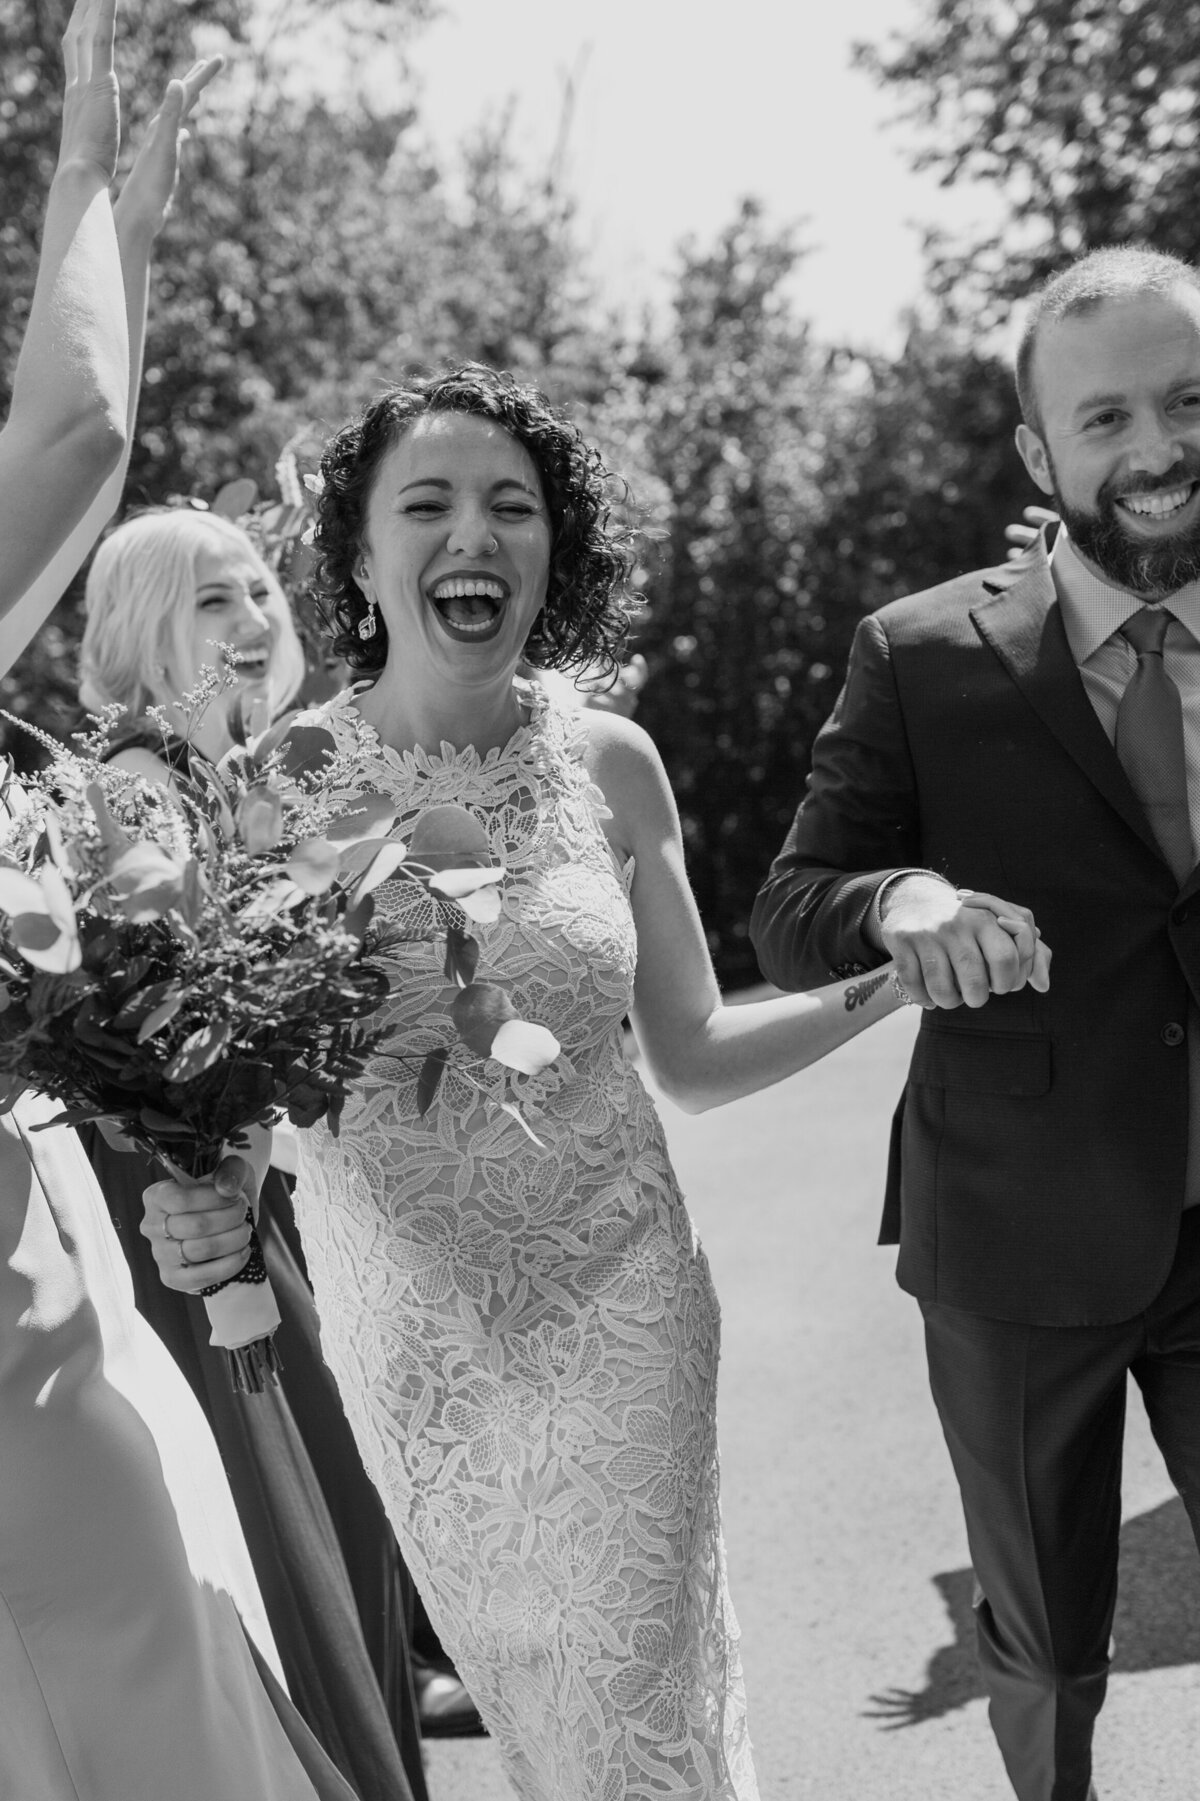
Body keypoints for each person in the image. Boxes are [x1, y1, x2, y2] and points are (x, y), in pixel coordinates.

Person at [142, 363, 915, 1801]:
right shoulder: (283, 783)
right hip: (418, 1341)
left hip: (625, 1302)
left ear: (556, 551)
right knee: (540, 1704)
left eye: (512, 506)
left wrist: (887, 987)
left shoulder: (611, 761)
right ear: (362, 558)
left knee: (639, 1682)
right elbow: (243, 1078)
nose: (473, 535)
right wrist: (212, 1199)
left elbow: (691, 1054)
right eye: (425, 505)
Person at [750, 244, 1200, 1801]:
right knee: (1048, 1637)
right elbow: (793, 901)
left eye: (1189, 401)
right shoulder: (924, 652)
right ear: (1038, 452)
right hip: (1019, 1235)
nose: (1156, 449)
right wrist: (901, 903)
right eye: (1108, 418)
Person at [0, 6, 352, 1797]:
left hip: (69, 1285)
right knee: (141, 1701)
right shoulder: (121, 783)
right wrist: (76, 186)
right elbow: (70, 445)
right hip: (26, 1353)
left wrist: (116, 238)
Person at [76, 501, 435, 1800]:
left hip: (285, 1216)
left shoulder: (263, 786)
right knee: (294, 1580)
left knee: (354, 1561)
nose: (255, 619)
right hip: (186, 1238)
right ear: (133, 631)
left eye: (262, 593)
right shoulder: (127, 800)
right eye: (212, 598)